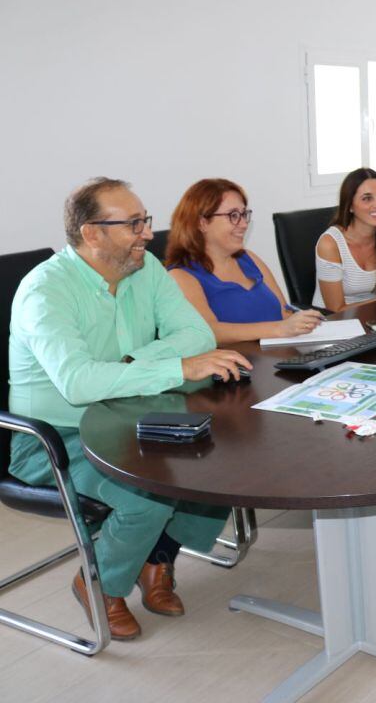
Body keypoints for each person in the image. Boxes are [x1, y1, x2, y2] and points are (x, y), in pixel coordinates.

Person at [8, 177, 253, 641]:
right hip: (55, 440)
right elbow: (79, 383)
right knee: (149, 493)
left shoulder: (147, 268)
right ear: (92, 234)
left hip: (130, 416)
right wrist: (169, 365)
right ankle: (100, 584)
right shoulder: (45, 292)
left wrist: (127, 365)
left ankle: (156, 561)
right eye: (134, 223)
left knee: (222, 452)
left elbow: (198, 337)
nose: (147, 232)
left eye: (146, 220)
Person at [166, 178, 324, 343]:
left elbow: (283, 312)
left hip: (282, 356)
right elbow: (208, 331)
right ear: (202, 223)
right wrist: (279, 329)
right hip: (240, 365)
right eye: (233, 215)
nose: (243, 224)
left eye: (244, 214)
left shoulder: (249, 258)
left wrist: (303, 321)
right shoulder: (181, 276)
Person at [313, 167, 376, 312]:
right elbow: (335, 310)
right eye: (367, 198)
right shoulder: (330, 245)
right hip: (333, 323)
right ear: (350, 206)